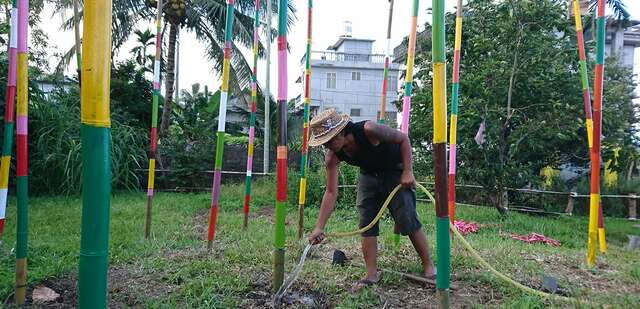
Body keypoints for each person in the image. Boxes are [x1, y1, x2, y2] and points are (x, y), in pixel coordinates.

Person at [307, 108, 435, 292]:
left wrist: (408, 171)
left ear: (342, 131)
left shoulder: (369, 130)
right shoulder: (332, 157)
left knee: (406, 217)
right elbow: (330, 192)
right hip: (368, 175)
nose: (329, 145)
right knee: (366, 221)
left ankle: (429, 267)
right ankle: (371, 274)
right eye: (325, 143)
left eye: (331, 139)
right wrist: (319, 227)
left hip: (395, 170)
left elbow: (403, 139)